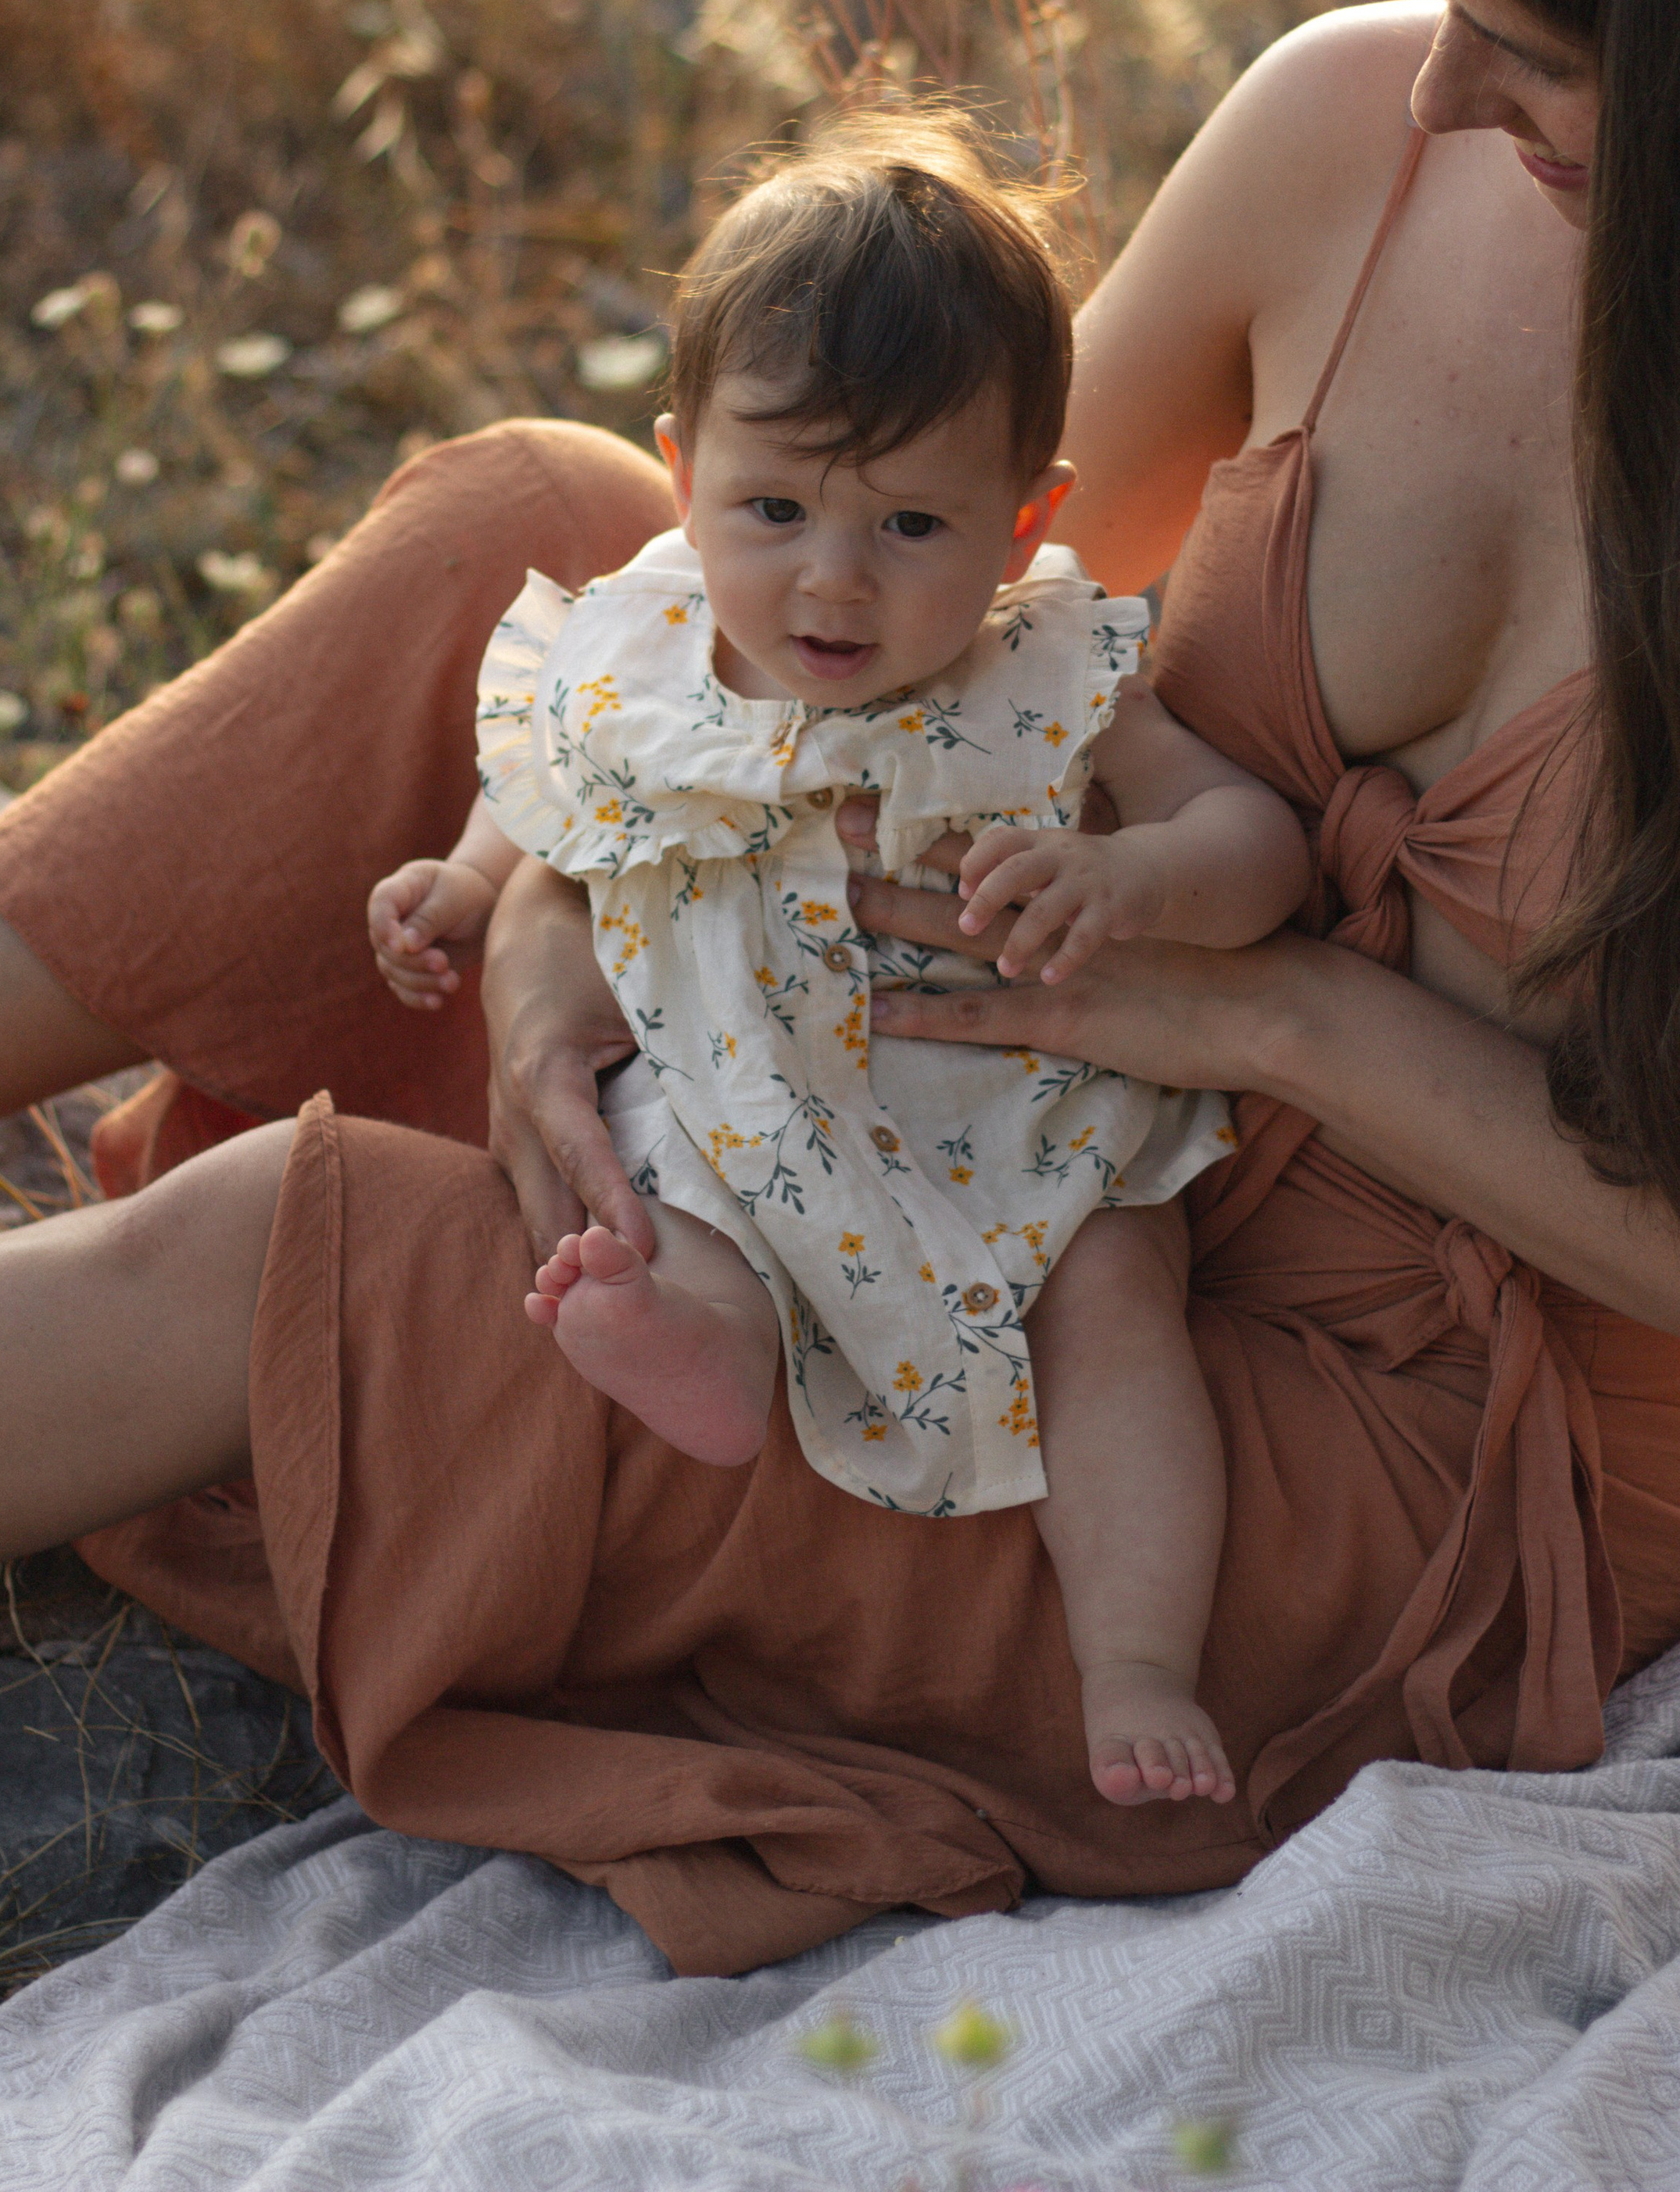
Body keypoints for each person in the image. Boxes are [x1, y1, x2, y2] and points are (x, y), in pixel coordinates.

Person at [0, 0, 1680, 1983]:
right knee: (549, 520)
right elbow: (916, 571)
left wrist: (1265, 1007)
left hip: (1317, 1439)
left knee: (287, 1253)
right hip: (978, 1072)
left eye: (1531, 42)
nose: (1442, 89)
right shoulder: (1357, 131)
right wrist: (562, 900)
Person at [365, 124, 1309, 1809]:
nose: (831, 577)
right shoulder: (644, 636)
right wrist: (463, 878)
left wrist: (1131, 873)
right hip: (750, 1083)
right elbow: (559, 781)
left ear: (1026, 522)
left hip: (1020, 1112)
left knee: (1116, 1305)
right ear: (682, 473)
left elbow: (1258, 848)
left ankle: (1136, 1655)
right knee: (681, 1193)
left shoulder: (1053, 675)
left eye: (912, 526)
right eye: (776, 506)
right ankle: (702, 1347)